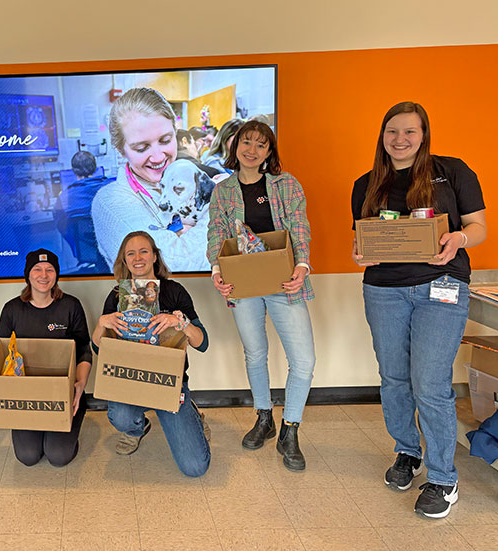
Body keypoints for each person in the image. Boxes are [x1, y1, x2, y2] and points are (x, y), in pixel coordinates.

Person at [352, 101, 486, 519]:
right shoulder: (366, 183)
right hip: (384, 290)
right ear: (382, 135)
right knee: (393, 378)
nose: (401, 140)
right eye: (392, 131)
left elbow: (479, 227)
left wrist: (457, 240)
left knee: (429, 383)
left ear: (424, 134)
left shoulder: (454, 171)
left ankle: (444, 478)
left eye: (410, 132)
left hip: (441, 287)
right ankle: (407, 452)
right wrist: (360, 253)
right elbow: (364, 238)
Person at [207, 121, 315, 472]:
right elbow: (216, 235)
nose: (252, 150)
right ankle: (264, 417)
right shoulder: (222, 191)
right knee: (255, 353)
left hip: (285, 282)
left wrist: (302, 267)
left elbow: (300, 228)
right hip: (244, 284)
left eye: (261, 145)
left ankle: (291, 429)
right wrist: (217, 271)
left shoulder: (286, 185)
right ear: (235, 146)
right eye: (246, 142)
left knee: (303, 361)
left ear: (270, 152)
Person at [92, 231, 211, 477]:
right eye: (130, 253)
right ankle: (138, 428)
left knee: (195, 468)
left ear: (155, 256)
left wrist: (180, 322)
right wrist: (102, 323)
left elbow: (202, 343)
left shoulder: (173, 291)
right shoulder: (117, 296)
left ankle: (190, 412)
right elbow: (97, 348)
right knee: (121, 417)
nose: (138, 258)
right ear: (124, 261)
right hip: (129, 379)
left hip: (169, 383)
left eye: (144, 251)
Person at [91, 88, 212, 272]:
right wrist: (219, 209)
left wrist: (187, 238)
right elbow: (178, 266)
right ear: (120, 149)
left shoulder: (187, 177)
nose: (157, 157)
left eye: (165, 140)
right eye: (141, 148)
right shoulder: (110, 202)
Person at [0, 249, 92, 466]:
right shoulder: (12, 309)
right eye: (37, 269)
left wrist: (80, 385)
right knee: (28, 456)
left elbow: (84, 348)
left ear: (57, 275)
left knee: (58, 456)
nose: (43, 275)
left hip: (64, 394)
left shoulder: (71, 306)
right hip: (26, 396)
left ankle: (64, 435)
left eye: (50, 269)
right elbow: (0, 355)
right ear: (27, 275)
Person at [53, 151, 113, 272]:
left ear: (74, 171)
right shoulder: (112, 188)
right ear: (95, 168)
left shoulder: (64, 198)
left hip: (88, 260)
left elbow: (62, 226)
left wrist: (81, 246)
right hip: (117, 258)